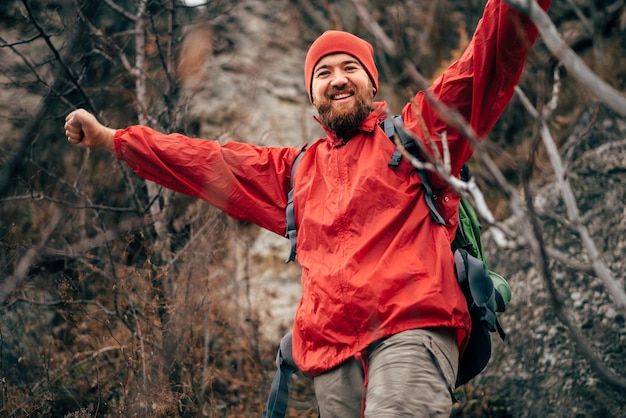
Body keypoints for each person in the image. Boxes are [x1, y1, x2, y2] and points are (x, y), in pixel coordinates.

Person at [65, 0, 551, 415]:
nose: (337, 80)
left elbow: (487, 58)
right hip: (332, 357)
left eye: (350, 69)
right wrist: (113, 139)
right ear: (311, 95)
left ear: (372, 84)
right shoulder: (295, 173)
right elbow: (204, 160)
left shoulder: (417, 136)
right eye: (323, 73)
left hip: (412, 328)